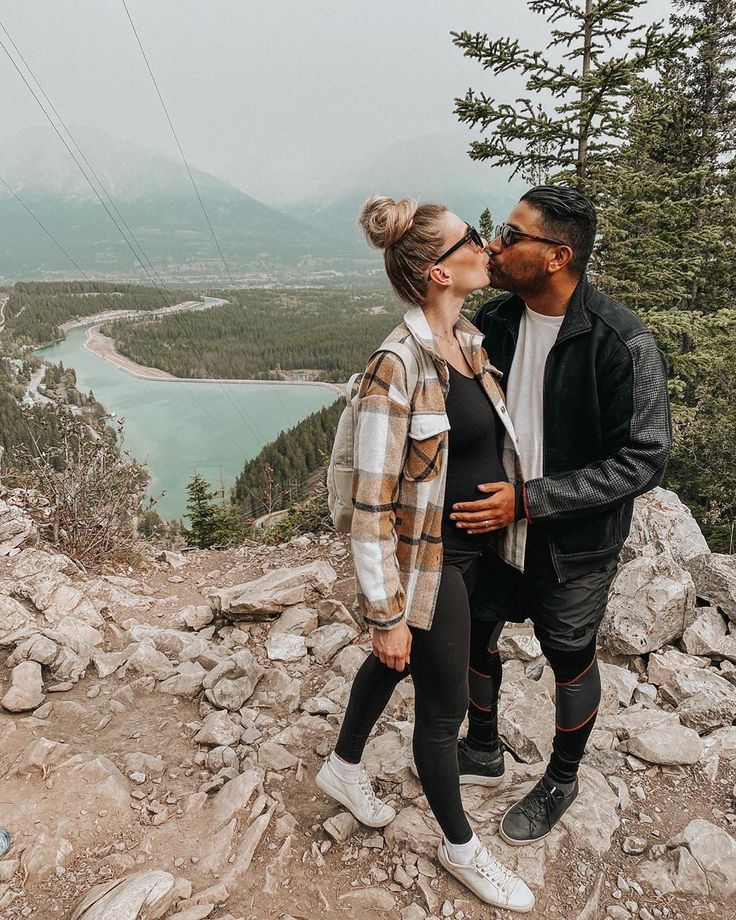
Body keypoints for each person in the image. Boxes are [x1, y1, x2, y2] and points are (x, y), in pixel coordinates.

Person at [315, 196, 535, 913]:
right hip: (428, 564)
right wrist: (386, 612)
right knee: (442, 711)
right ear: (440, 271)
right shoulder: (397, 364)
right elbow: (373, 505)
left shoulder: (468, 343)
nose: (485, 243)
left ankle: (344, 765)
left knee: (401, 663)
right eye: (473, 238)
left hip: (473, 554)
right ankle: (461, 848)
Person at [448, 185, 672, 845]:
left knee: (569, 656)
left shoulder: (620, 343)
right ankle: (482, 746)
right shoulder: (495, 322)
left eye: (513, 236)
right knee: (476, 636)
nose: (495, 244)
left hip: (573, 547)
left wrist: (531, 500)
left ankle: (562, 777)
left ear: (557, 256)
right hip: (489, 529)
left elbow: (645, 460)